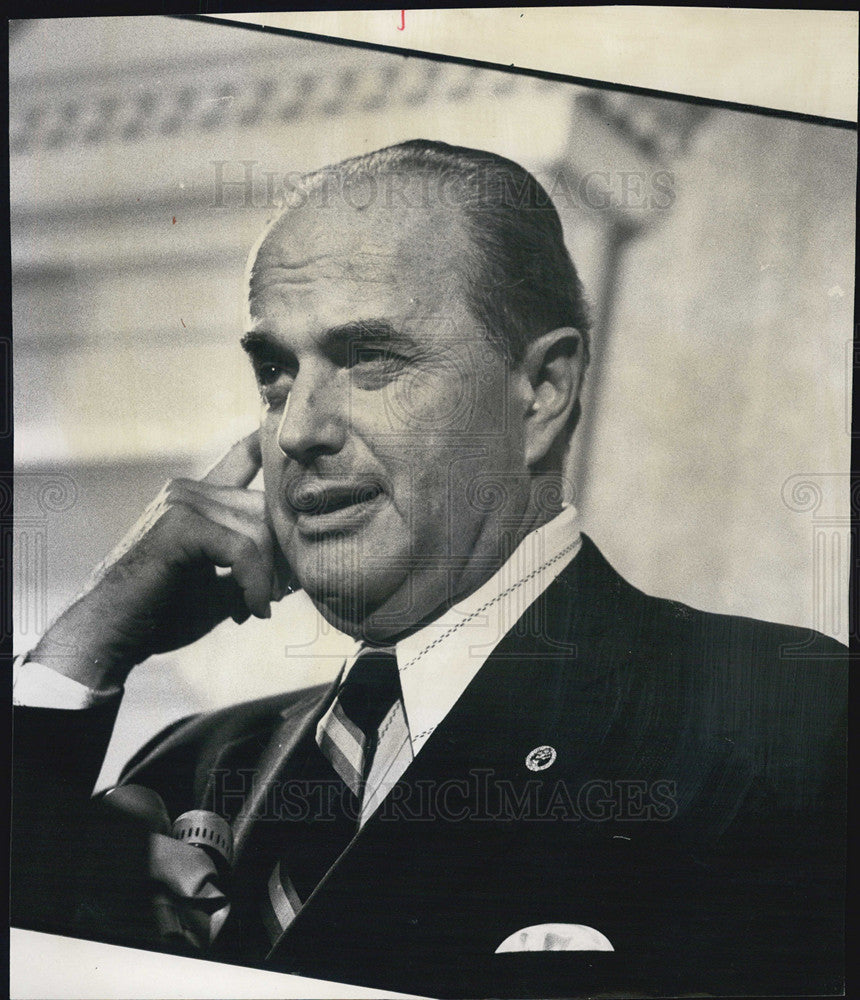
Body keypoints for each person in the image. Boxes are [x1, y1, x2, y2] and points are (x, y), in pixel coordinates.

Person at [12, 140, 846, 999]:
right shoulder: (199, 762)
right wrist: (86, 640)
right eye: (275, 373)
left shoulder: (784, 724)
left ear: (544, 392)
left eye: (370, 358)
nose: (297, 428)